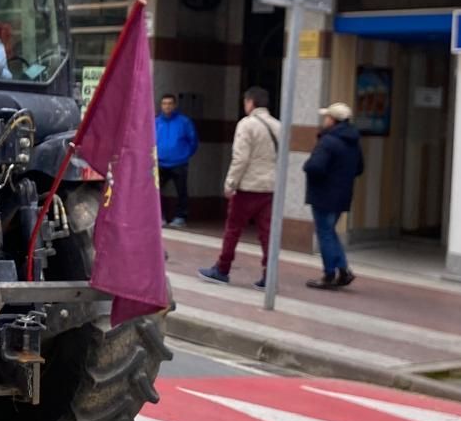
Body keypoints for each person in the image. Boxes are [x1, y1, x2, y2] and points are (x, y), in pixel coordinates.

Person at [199, 86, 282, 289]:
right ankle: (269, 274)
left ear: (251, 102)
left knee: (233, 229)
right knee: (267, 233)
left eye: (245, 102)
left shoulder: (247, 125)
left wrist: (230, 183)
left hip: (247, 187)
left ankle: (222, 268)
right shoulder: (278, 125)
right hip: (269, 187)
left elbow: (240, 158)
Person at [302, 102, 364, 289]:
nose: (324, 120)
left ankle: (329, 274)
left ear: (333, 120)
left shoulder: (328, 141)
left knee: (325, 233)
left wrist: (307, 166)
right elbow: (360, 168)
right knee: (330, 231)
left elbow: (315, 166)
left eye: (327, 117)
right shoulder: (353, 142)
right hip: (342, 194)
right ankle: (343, 270)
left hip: (324, 194)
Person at [155, 94, 198, 227]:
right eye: (164, 103)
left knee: (181, 191)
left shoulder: (184, 122)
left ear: (174, 105)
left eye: (169, 103)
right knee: (155, 191)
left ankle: (180, 217)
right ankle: (159, 216)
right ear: (161, 106)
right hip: (160, 163)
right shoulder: (155, 122)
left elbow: (193, 141)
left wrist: (185, 155)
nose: (167, 106)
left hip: (179, 163)